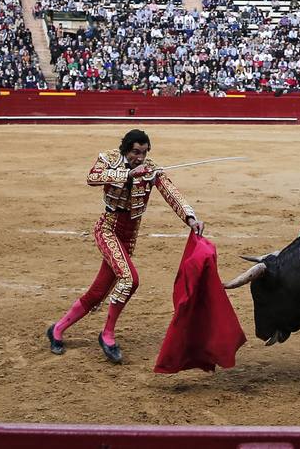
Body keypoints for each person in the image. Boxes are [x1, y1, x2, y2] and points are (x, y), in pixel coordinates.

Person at [46, 129, 204, 363]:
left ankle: (57, 329)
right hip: (107, 228)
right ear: (125, 149)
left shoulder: (150, 169)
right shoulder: (109, 159)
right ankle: (107, 334)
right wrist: (129, 174)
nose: (139, 158)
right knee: (130, 279)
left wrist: (190, 217)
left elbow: (171, 192)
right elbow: (93, 177)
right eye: (135, 152)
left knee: (98, 292)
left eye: (143, 153)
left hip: (129, 236)